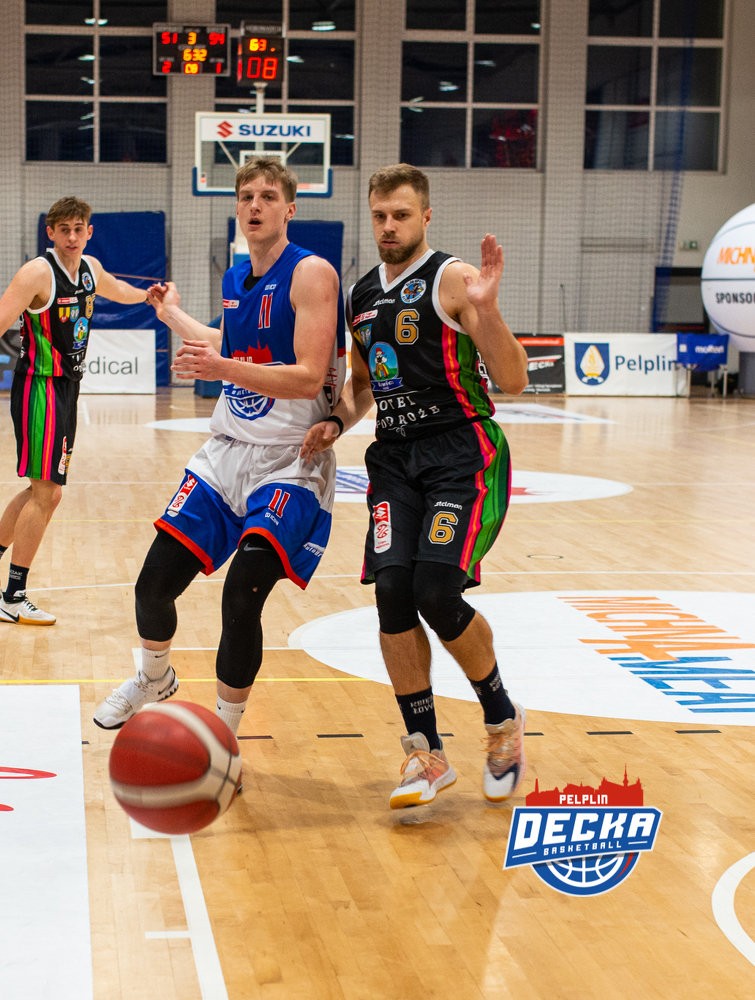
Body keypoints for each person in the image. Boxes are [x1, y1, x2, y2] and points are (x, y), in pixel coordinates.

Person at [301, 163, 529, 810]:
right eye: (379, 215)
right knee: (392, 594)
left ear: (425, 216)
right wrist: (337, 421)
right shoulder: (360, 295)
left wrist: (489, 311)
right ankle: (425, 752)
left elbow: (513, 379)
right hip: (394, 460)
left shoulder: (454, 279)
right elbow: (364, 384)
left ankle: (502, 719)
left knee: (435, 589)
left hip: (461, 453)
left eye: (400, 215)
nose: (388, 226)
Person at [91, 158, 344, 735]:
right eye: (246, 196)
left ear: (290, 208)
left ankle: (225, 732)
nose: (255, 205)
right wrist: (170, 314)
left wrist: (221, 367)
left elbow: (309, 378)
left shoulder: (312, 274)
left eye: (268, 196)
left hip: (290, 461)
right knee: (153, 585)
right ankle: (153, 677)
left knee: (242, 595)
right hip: (228, 452)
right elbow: (225, 344)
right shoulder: (235, 278)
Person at [0, 196, 149, 625]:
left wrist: (149, 297)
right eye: (65, 230)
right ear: (51, 232)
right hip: (39, 388)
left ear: (89, 232)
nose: (72, 237)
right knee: (46, 493)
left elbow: (117, 289)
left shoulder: (90, 268)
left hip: (67, 389)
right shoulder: (37, 273)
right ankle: (13, 596)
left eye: (79, 229)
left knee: (43, 492)